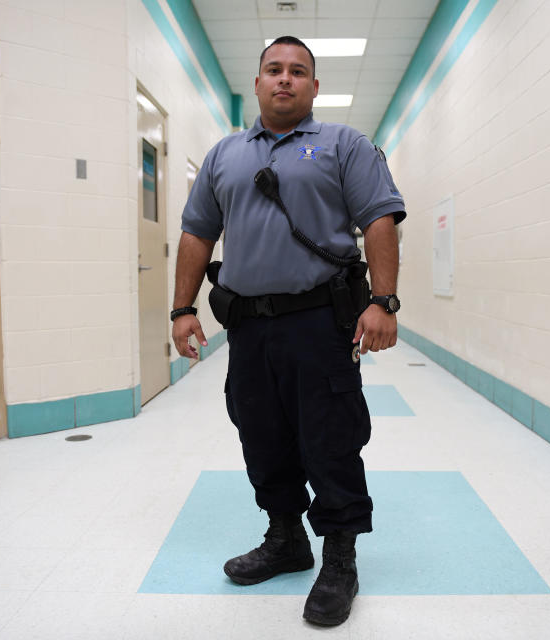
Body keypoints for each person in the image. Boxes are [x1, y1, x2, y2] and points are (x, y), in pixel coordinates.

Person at [170, 35, 405, 626]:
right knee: (261, 436)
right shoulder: (224, 155)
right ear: (256, 82)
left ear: (314, 87)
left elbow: (379, 217)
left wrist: (383, 301)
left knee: (329, 438)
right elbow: (198, 233)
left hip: (320, 324)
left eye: (298, 71)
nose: (284, 79)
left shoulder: (343, 145)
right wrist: (182, 309)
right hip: (249, 328)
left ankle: (340, 558)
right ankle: (286, 539)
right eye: (273, 69)